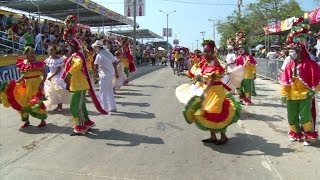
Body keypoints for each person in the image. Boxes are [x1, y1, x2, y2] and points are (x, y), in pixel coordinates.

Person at [182, 40, 241, 145]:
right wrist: (197, 80)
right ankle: (213, 136)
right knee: (208, 113)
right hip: (209, 91)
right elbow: (202, 77)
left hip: (216, 92)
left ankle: (223, 137)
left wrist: (204, 88)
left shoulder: (214, 62)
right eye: (204, 51)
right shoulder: (205, 63)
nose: (206, 53)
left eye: (208, 51)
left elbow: (212, 79)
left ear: (213, 52)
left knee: (217, 113)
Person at [279, 18, 320, 146]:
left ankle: (307, 136)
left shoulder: (309, 63)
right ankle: (295, 133)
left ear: (299, 51)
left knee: (305, 117)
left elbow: (317, 77)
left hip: (304, 95)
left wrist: (313, 91)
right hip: (291, 95)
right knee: (291, 116)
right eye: (289, 50)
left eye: (293, 51)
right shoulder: (289, 64)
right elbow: (285, 80)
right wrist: (283, 94)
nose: (290, 53)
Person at [0, 46, 47, 128]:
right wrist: (18, 81)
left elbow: (45, 73)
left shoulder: (38, 63)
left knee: (36, 102)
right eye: (30, 52)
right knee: (21, 102)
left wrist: (42, 82)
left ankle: (42, 120)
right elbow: (24, 75)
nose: (33, 54)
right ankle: (26, 120)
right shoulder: (24, 63)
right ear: (26, 55)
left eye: (33, 52)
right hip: (26, 85)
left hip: (36, 85)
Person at [92, 40, 119, 112]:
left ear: (98, 47)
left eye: (95, 47)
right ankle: (113, 107)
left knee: (102, 91)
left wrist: (94, 75)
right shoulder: (108, 53)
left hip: (104, 75)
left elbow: (96, 66)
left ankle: (104, 108)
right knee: (109, 90)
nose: (94, 49)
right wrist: (116, 72)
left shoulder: (99, 55)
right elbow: (115, 62)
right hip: (111, 74)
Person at [44, 45, 70, 111]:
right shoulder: (48, 59)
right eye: (50, 50)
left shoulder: (59, 59)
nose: (51, 51)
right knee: (52, 91)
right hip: (51, 75)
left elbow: (59, 70)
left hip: (58, 76)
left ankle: (60, 106)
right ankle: (57, 106)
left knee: (58, 91)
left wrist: (52, 76)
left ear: (55, 51)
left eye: (52, 50)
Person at [235, 40, 257, 105]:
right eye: (239, 49)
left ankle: (248, 100)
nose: (240, 50)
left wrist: (254, 73)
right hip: (240, 76)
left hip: (248, 75)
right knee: (238, 87)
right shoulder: (238, 58)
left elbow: (254, 66)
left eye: (241, 49)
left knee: (247, 89)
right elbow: (237, 67)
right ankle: (242, 98)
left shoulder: (249, 57)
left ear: (245, 49)